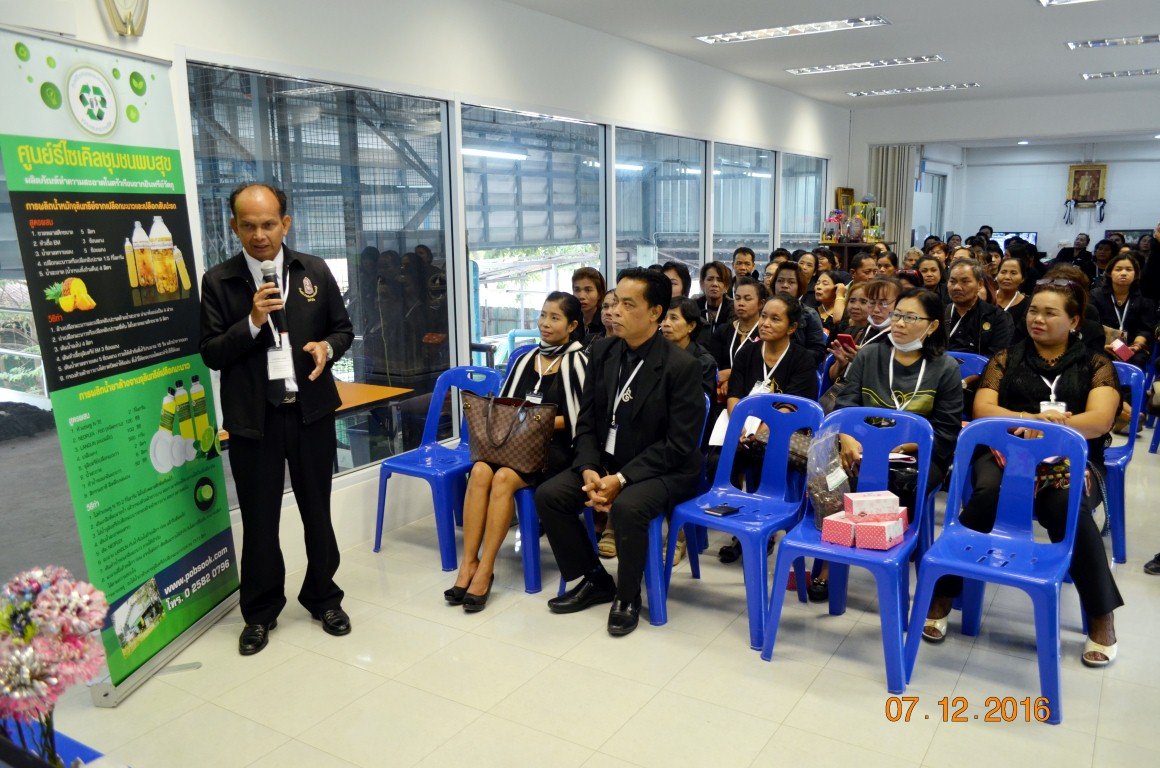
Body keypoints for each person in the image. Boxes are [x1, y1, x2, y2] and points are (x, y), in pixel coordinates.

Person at [922, 278, 1123, 668]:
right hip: (1005, 454)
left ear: (1075, 320)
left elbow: (1100, 420)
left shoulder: (1095, 364)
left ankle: (1101, 615)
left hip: (1072, 463)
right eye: (1033, 311)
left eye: (1050, 313)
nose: (1038, 319)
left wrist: (1050, 430)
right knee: (988, 500)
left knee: (1065, 507)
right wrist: (1026, 418)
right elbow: (982, 408)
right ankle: (944, 594)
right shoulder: (1006, 358)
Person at [199, 182, 355, 655]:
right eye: (248, 225)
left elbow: (343, 328)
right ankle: (261, 612)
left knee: (317, 511)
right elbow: (210, 353)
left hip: (310, 413)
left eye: (269, 224)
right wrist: (249, 322)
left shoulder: (313, 271)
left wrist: (328, 348)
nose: (259, 235)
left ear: (286, 223)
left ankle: (323, 596)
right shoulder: (219, 281)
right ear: (234, 227)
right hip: (254, 420)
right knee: (260, 521)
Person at [536, 268, 704, 636]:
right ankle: (595, 578)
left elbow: (679, 444)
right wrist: (588, 468)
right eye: (615, 303)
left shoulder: (681, 367)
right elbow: (588, 420)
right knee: (549, 495)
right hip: (609, 461)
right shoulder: (604, 351)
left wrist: (622, 479)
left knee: (629, 507)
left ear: (655, 312)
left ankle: (628, 596)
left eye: (629, 305)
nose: (617, 312)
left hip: (665, 469)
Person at [447, 293, 588, 611]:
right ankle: (468, 563)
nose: (545, 323)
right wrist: (518, 422)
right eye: (542, 315)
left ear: (572, 325)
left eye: (555, 318)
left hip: (555, 450)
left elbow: (582, 420)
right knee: (481, 470)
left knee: (504, 478)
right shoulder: (525, 358)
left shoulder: (579, 361)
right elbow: (505, 406)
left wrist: (538, 421)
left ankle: (486, 569)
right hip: (515, 443)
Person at [826, 288, 963, 601]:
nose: (899, 323)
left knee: (901, 485)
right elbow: (845, 402)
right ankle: (830, 561)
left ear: (932, 326)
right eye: (897, 314)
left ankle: (894, 558)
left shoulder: (945, 369)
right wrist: (847, 437)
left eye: (911, 317)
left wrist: (898, 449)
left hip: (916, 458)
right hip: (859, 447)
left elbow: (945, 431)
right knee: (826, 474)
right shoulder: (870, 355)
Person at [716, 293, 819, 565]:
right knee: (719, 458)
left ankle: (767, 528)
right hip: (746, 425)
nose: (765, 323)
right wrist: (738, 426)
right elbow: (735, 394)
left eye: (775, 319)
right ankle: (740, 524)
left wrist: (761, 431)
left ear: (792, 327)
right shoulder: (748, 352)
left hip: (784, 430)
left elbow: (792, 406)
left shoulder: (802, 358)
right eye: (764, 316)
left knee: (765, 455)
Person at [1089, 251, 1155, 370]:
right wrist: (1102, 345)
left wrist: (1136, 345)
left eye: (1129, 270)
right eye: (1118, 269)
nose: (1123, 273)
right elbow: (1090, 325)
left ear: (1135, 274)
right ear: (1109, 273)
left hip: (1132, 346)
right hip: (1101, 345)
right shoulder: (1095, 295)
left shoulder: (1144, 299)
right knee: (1098, 357)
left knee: (1137, 359)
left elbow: (1145, 329)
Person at [710, 277, 767, 402]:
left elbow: (764, 368)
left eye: (747, 299)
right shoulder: (722, 330)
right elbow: (714, 364)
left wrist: (732, 375)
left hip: (756, 393)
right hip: (723, 394)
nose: (741, 303)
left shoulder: (766, 332)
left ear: (761, 304)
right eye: (737, 298)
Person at [944, 259, 1014, 357]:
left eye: (965, 282)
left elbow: (998, 357)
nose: (957, 287)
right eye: (952, 281)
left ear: (980, 284)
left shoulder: (997, 317)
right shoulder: (939, 314)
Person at [770, 262, 827, 364]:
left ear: (799, 286)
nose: (784, 286)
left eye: (791, 282)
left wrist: (788, 355)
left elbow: (818, 353)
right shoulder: (764, 311)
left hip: (798, 368)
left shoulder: (809, 314)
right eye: (780, 281)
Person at [662, 297, 718, 401]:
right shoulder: (657, 354)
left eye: (673, 318)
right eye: (664, 318)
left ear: (691, 326)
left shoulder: (704, 362)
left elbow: (698, 403)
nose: (666, 323)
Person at [694, 261, 734, 344]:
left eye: (719, 280)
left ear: (726, 286)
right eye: (710, 279)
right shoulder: (694, 306)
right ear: (702, 284)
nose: (714, 284)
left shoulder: (733, 308)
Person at [994, 255, 1030, 344]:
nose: (1007, 277)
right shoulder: (986, 298)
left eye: (1013, 273)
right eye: (1003, 272)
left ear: (1023, 278)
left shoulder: (1028, 305)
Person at [572, 266, 607, 342]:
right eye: (577, 290)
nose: (581, 296)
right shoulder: (572, 320)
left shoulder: (606, 322)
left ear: (599, 294)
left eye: (588, 290)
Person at [812, 271, 845, 336]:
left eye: (825, 284)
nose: (819, 287)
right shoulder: (811, 312)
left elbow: (837, 320)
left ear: (836, 288)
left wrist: (839, 294)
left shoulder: (845, 313)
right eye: (817, 283)